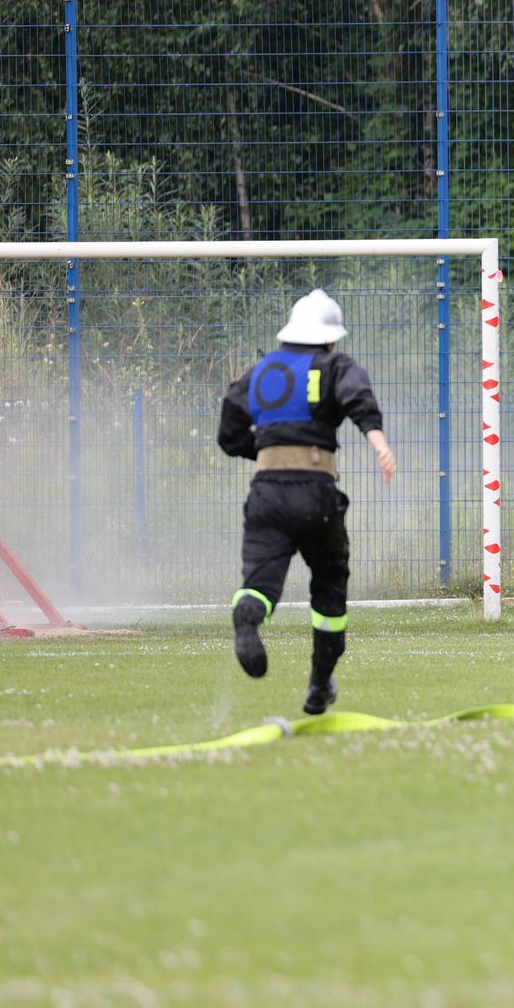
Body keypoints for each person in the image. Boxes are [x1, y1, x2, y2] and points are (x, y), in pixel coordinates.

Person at [216, 289, 396, 714]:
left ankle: (248, 612)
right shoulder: (333, 365)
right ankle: (319, 684)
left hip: (267, 493)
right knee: (329, 587)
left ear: (290, 335)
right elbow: (357, 396)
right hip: (316, 493)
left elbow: (229, 433)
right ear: (331, 340)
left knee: (260, 581)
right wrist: (378, 441)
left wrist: (266, 448)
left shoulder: (259, 372)